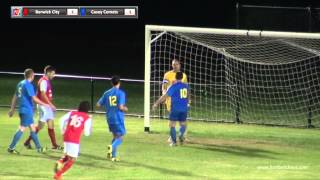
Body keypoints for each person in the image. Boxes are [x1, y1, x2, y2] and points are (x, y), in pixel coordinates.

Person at [7, 68, 53, 154]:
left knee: (32, 129)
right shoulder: (28, 85)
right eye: (33, 75)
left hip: (23, 109)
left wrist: (12, 109)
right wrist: (45, 104)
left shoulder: (20, 83)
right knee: (22, 129)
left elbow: (15, 97)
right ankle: (11, 147)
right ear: (32, 76)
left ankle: (39, 148)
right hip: (26, 110)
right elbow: (34, 98)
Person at [24, 65, 62, 150]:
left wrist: (50, 104)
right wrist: (51, 104)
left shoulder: (46, 80)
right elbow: (43, 94)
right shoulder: (43, 81)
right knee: (40, 126)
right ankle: (27, 142)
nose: (53, 75)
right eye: (53, 73)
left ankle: (54, 145)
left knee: (51, 125)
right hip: (43, 107)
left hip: (47, 106)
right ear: (48, 73)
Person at [54, 101, 92, 180]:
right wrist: (90, 125)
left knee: (68, 156)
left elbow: (61, 119)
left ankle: (60, 162)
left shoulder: (72, 113)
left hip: (66, 136)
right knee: (73, 159)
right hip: (74, 139)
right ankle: (58, 175)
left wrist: (62, 130)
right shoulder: (87, 118)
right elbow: (87, 133)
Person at [153, 72, 189, 146]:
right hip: (184, 108)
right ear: (182, 78)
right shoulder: (186, 86)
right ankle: (181, 134)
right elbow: (188, 96)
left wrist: (156, 103)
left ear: (175, 77)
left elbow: (165, 96)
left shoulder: (173, 86)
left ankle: (174, 142)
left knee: (171, 124)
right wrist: (188, 103)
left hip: (175, 108)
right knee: (183, 124)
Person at [97, 75, 128, 161]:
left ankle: (112, 156)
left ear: (111, 83)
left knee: (115, 137)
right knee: (120, 137)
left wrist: (108, 106)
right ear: (119, 83)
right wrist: (126, 109)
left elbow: (98, 104)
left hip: (109, 118)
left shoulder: (106, 93)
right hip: (118, 118)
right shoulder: (121, 93)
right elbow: (121, 107)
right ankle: (111, 147)